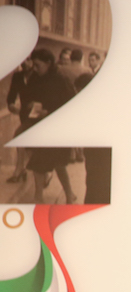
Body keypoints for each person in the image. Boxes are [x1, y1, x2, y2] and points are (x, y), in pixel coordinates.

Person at [21, 49, 76, 204]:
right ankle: (39, 197)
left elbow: (71, 104)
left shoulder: (62, 79)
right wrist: (31, 104)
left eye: (38, 65)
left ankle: (68, 194)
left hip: (58, 129)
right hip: (40, 126)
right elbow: (28, 95)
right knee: (39, 163)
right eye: (33, 65)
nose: (35, 68)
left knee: (58, 164)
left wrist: (50, 111)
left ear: (48, 63)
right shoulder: (35, 78)